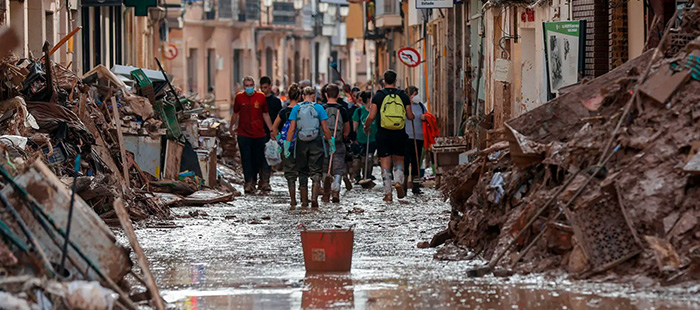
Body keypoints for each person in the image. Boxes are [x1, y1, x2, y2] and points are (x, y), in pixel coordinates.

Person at [364, 70, 415, 201]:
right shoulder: (403, 95)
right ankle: (398, 181)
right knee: (399, 160)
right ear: (396, 80)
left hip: (383, 133)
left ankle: (388, 193)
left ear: (384, 81)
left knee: (385, 162)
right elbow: (410, 116)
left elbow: (371, 116)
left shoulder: (378, 96)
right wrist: (413, 115)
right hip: (399, 133)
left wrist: (366, 125)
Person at [284, 86, 334, 209]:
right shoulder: (319, 108)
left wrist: (286, 145)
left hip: (301, 142)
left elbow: (291, 129)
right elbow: (325, 128)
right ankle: (314, 198)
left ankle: (304, 201)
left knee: (302, 171)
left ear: (302, 96)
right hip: (316, 142)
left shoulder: (296, 108)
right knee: (316, 170)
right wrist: (331, 142)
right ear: (314, 96)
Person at [231, 76, 274, 194]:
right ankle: (248, 182)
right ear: (243, 87)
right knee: (246, 159)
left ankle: (257, 180)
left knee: (257, 158)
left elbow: (265, 114)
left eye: (251, 86)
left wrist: (271, 129)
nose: (249, 88)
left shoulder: (260, 97)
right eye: (247, 86)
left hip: (259, 133)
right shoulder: (239, 98)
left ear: (254, 86)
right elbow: (235, 113)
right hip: (243, 133)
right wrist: (231, 127)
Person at [271, 83, 302, 209]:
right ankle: (305, 199)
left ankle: (293, 199)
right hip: (302, 145)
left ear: (288, 96)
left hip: (287, 147)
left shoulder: (283, 112)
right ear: (300, 96)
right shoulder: (302, 110)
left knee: (290, 173)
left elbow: (274, 128)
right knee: (303, 172)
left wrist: (280, 141)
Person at [322, 84, 351, 203]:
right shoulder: (342, 109)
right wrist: (344, 135)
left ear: (325, 95)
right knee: (338, 167)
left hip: (324, 143)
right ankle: (336, 190)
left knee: (325, 167)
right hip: (338, 142)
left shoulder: (322, 108)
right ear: (338, 95)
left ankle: (325, 191)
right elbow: (347, 128)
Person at [404, 86, 427, 195]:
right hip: (407, 137)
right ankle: (403, 185)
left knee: (416, 162)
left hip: (419, 137)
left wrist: (425, 117)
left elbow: (427, 116)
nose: (416, 96)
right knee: (405, 161)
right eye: (414, 94)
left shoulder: (421, 106)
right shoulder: (403, 106)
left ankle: (415, 186)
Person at [352, 90, 377, 182]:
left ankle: (367, 175)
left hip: (373, 138)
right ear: (369, 100)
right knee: (362, 158)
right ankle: (358, 176)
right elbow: (355, 127)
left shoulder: (375, 111)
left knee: (369, 158)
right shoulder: (358, 111)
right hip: (361, 138)